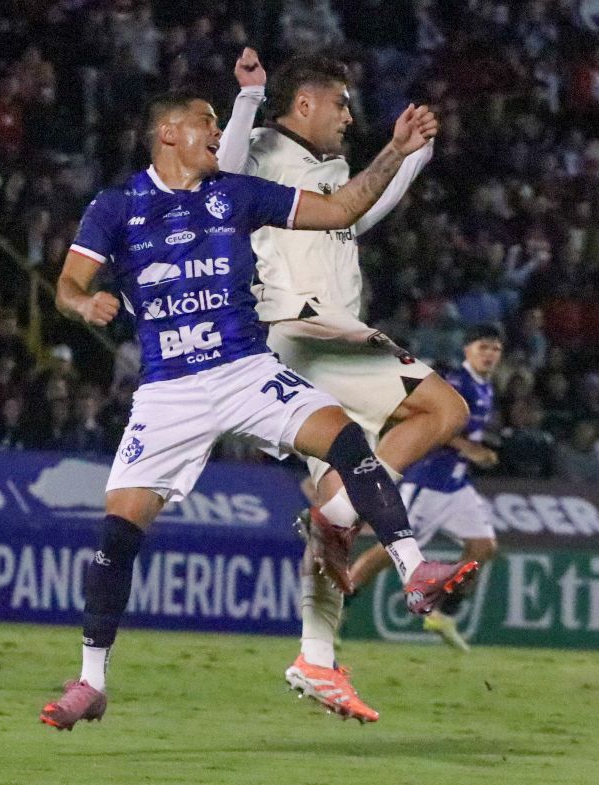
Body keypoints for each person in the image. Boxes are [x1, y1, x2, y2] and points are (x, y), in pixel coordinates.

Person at [39, 90, 478, 731]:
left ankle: (414, 572)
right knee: (118, 535)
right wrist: (84, 307)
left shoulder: (237, 194)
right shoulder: (116, 207)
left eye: (219, 122)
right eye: (206, 122)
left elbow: (340, 208)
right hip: (170, 391)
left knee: (347, 440)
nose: (217, 131)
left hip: (246, 368)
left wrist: (394, 152)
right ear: (167, 131)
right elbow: (68, 286)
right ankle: (91, 681)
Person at [216, 52, 470, 722]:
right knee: (445, 406)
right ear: (305, 104)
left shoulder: (328, 178)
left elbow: (359, 212)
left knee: (341, 507)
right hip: (300, 327)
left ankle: (316, 657)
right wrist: (248, 100)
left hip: (323, 334)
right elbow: (224, 171)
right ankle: (408, 561)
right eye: (341, 105)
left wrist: (411, 155)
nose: (349, 117)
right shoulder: (266, 151)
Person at [349, 325, 503, 652]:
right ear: (467, 350)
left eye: (495, 349)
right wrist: (469, 449)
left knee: (483, 548)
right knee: (392, 550)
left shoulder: (485, 388)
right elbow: (430, 422)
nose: (490, 354)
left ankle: (443, 614)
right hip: (428, 482)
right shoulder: (453, 384)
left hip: (456, 486)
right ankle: (336, 602)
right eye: (483, 347)